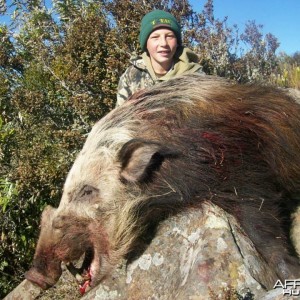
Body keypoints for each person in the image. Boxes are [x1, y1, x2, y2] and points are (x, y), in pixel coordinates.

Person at [116, 9, 205, 106]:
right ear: (146, 44)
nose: (163, 43)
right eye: (155, 37)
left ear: (177, 42)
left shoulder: (195, 76)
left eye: (169, 36)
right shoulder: (131, 75)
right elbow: (120, 116)